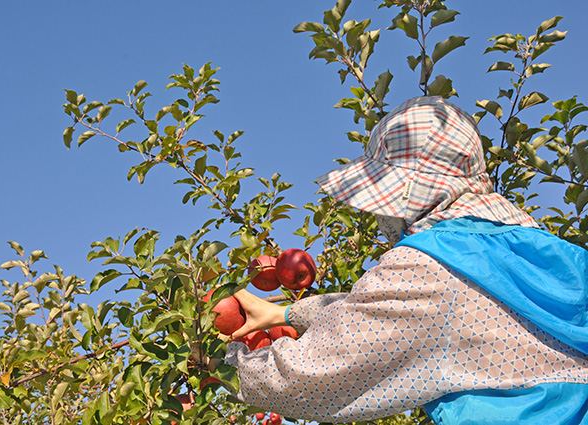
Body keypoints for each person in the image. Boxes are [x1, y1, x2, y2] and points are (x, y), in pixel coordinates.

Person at [224, 96, 588, 424]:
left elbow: (304, 379)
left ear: (411, 194)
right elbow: (396, 311)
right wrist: (285, 314)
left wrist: (221, 365)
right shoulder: (556, 256)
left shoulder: (427, 269)